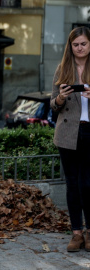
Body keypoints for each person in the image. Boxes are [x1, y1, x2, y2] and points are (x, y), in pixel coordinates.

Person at [50, 26, 90, 252]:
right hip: (68, 132)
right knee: (73, 185)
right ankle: (76, 233)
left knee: (88, 184)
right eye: (75, 45)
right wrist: (61, 98)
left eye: (83, 44)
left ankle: (89, 231)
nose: (80, 48)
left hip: (89, 131)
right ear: (70, 46)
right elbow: (52, 103)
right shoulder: (62, 69)